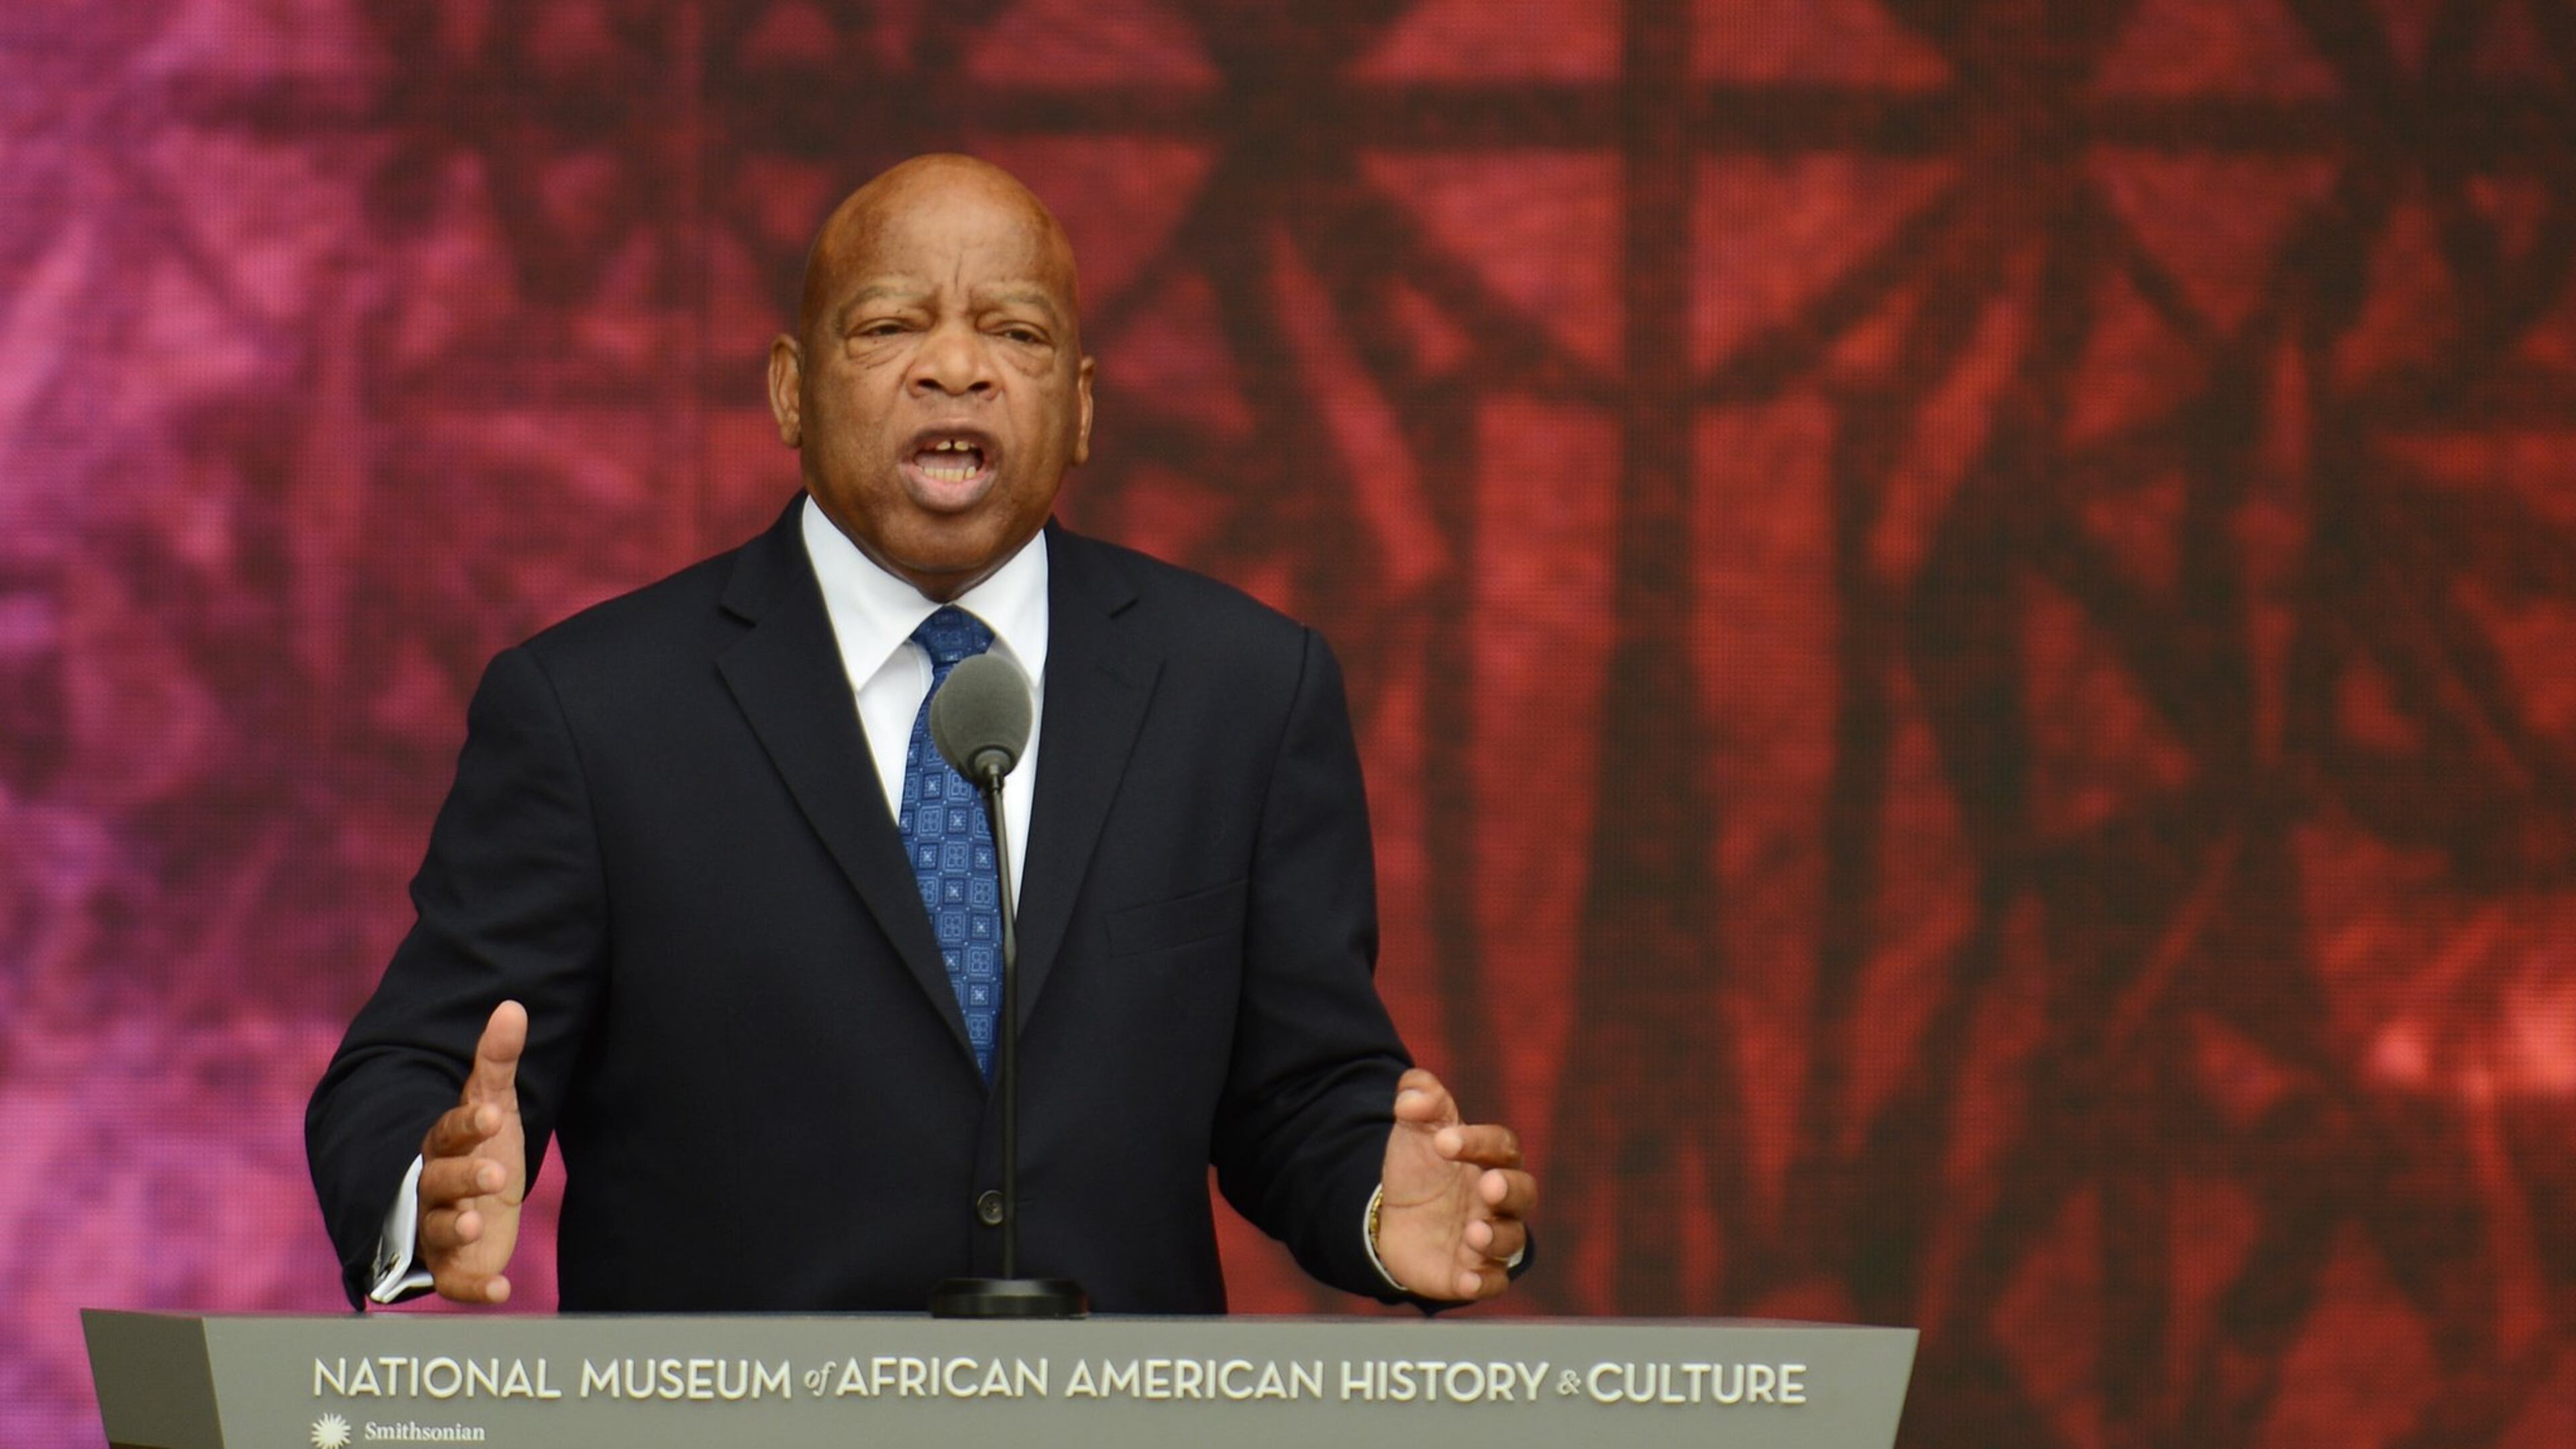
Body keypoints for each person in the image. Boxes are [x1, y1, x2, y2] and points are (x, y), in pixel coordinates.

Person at [305, 154, 1535, 1313]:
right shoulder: (597, 711)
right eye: (892, 327)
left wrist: (1387, 1208)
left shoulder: (1243, 690)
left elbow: (1299, 1090)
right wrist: (433, 1185)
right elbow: (409, 1069)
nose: (958, 369)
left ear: (1085, 405)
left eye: (1017, 332)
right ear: (791, 388)